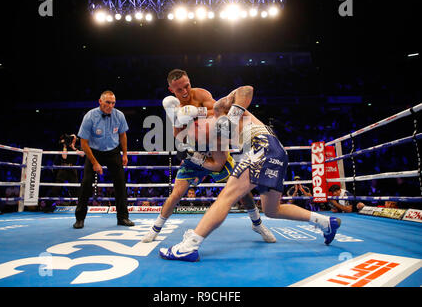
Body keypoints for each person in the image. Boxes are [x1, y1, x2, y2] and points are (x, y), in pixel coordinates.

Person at [159, 85, 341, 262]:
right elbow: (215, 160)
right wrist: (192, 154)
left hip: (261, 147)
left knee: (226, 197)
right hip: (276, 152)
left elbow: (247, 89)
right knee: (272, 210)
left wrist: (232, 114)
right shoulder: (211, 124)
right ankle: (325, 222)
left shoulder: (221, 105)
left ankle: (189, 247)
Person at [142, 70, 275, 243]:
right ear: (171, 90)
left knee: (240, 190)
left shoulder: (201, 94)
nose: (184, 92)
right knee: (176, 194)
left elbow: (219, 112)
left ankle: (257, 223)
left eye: (186, 86)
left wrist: (194, 112)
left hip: (216, 148)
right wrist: (183, 136)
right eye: (178, 90)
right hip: (195, 152)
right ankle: (155, 229)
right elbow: (177, 133)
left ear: (190, 81)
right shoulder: (174, 108)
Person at [73, 90, 134, 228]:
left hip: (113, 152)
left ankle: (123, 218)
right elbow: (83, 142)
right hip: (94, 152)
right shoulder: (90, 116)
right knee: (86, 184)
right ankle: (79, 218)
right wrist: (94, 162)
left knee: (120, 184)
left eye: (113, 103)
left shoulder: (119, 115)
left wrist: (124, 154)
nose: (110, 105)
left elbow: (123, 135)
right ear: (100, 101)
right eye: (107, 102)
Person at [51, 134, 82, 199]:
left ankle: (75, 203)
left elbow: (82, 155)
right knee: (57, 186)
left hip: (73, 168)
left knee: (74, 187)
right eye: (71, 138)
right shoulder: (65, 145)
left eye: (74, 138)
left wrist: (73, 148)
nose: (73, 139)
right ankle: (48, 203)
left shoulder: (77, 146)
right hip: (64, 167)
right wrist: (65, 146)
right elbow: (64, 157)